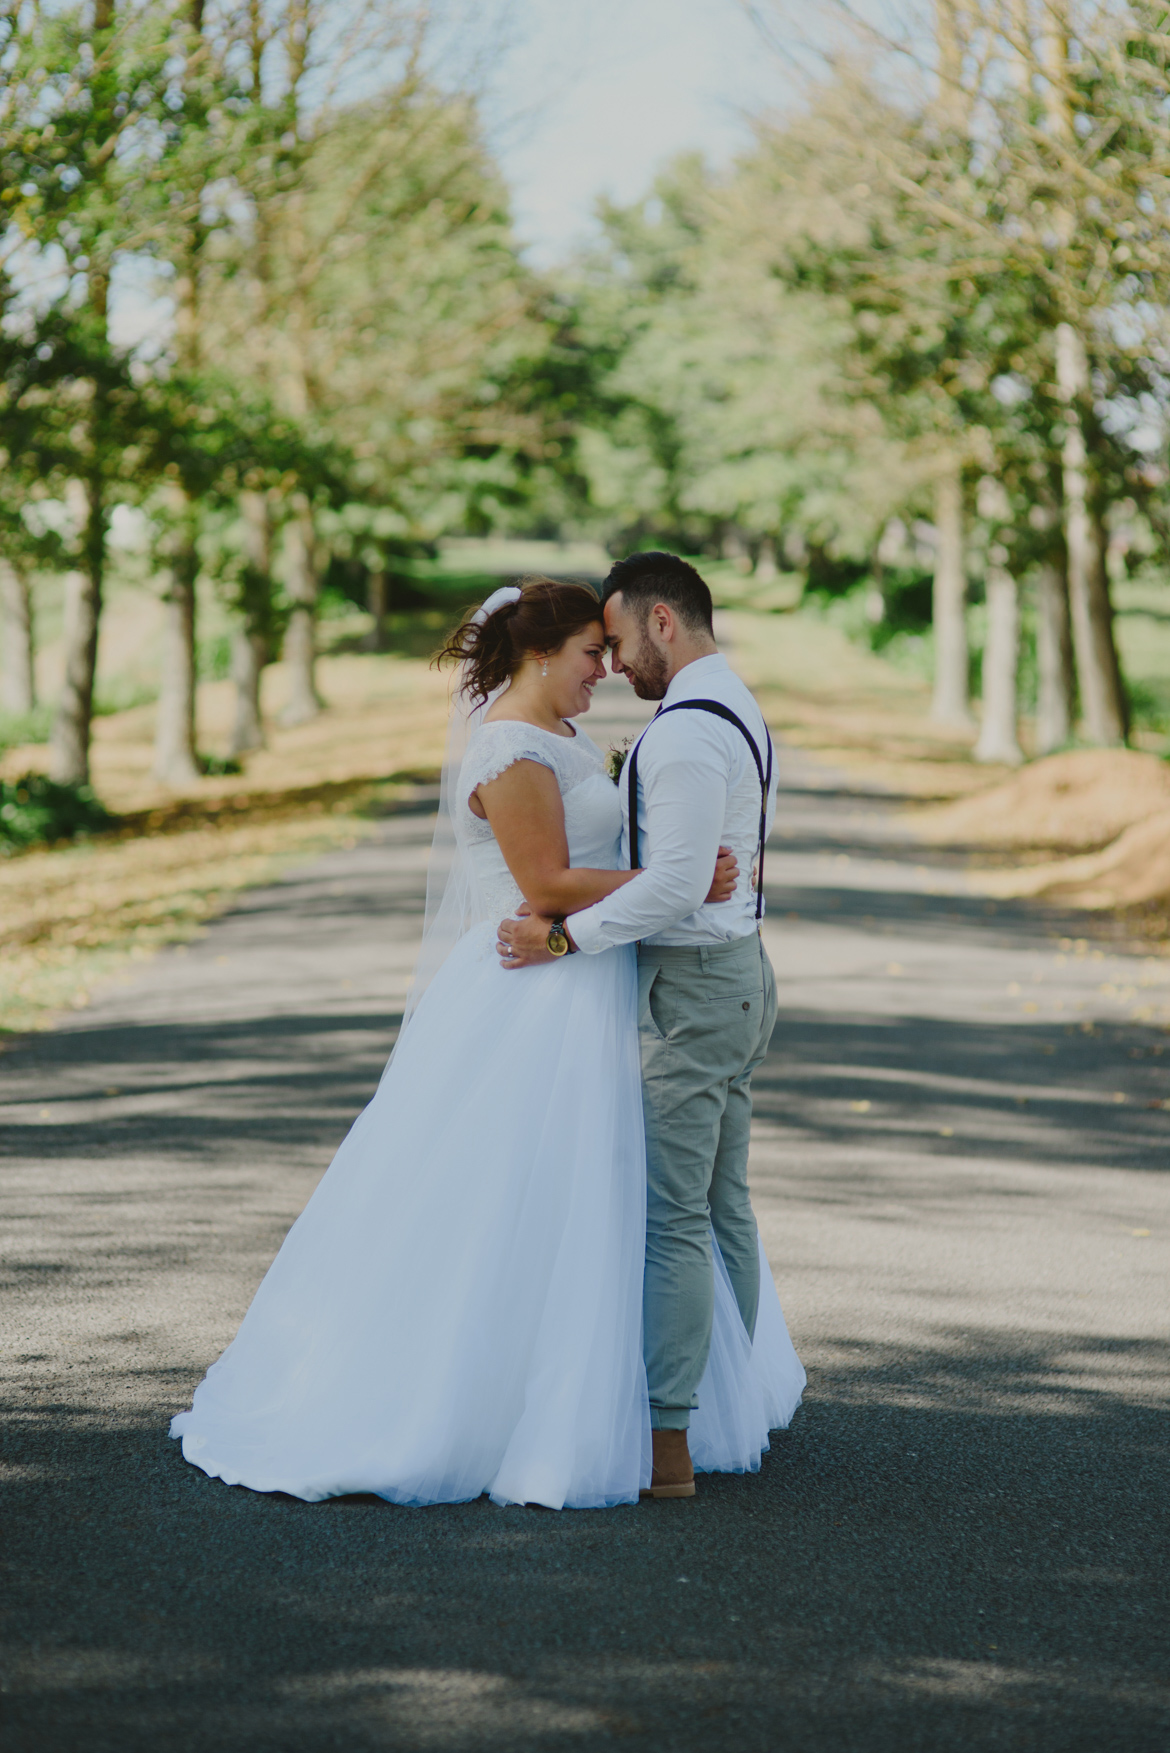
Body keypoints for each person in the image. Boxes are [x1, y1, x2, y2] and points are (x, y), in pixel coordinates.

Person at [170, 576, 803, 1509]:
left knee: (597, 1199)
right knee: (505, 1196)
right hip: (530, 987)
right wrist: (667, 876)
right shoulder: (506, 744)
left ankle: (632, 1397)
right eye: (592, 653)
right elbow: (543, 881)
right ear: (541, 655)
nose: (606, 669)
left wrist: (660, 862)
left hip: (586, 985)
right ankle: (483, 1400)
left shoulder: (561, 733)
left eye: (609, 648)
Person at [498, 554, 787, 1499]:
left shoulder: (686, 736)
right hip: (735, 975)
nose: (614, 665)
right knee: (721, 1205)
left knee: (674, 1219)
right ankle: (737, 1414)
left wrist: (561, 936)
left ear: (663, 621)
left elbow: (671, 884)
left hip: (695, 988)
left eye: (617, 641)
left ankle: (671, 1444)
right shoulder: (731, 701)